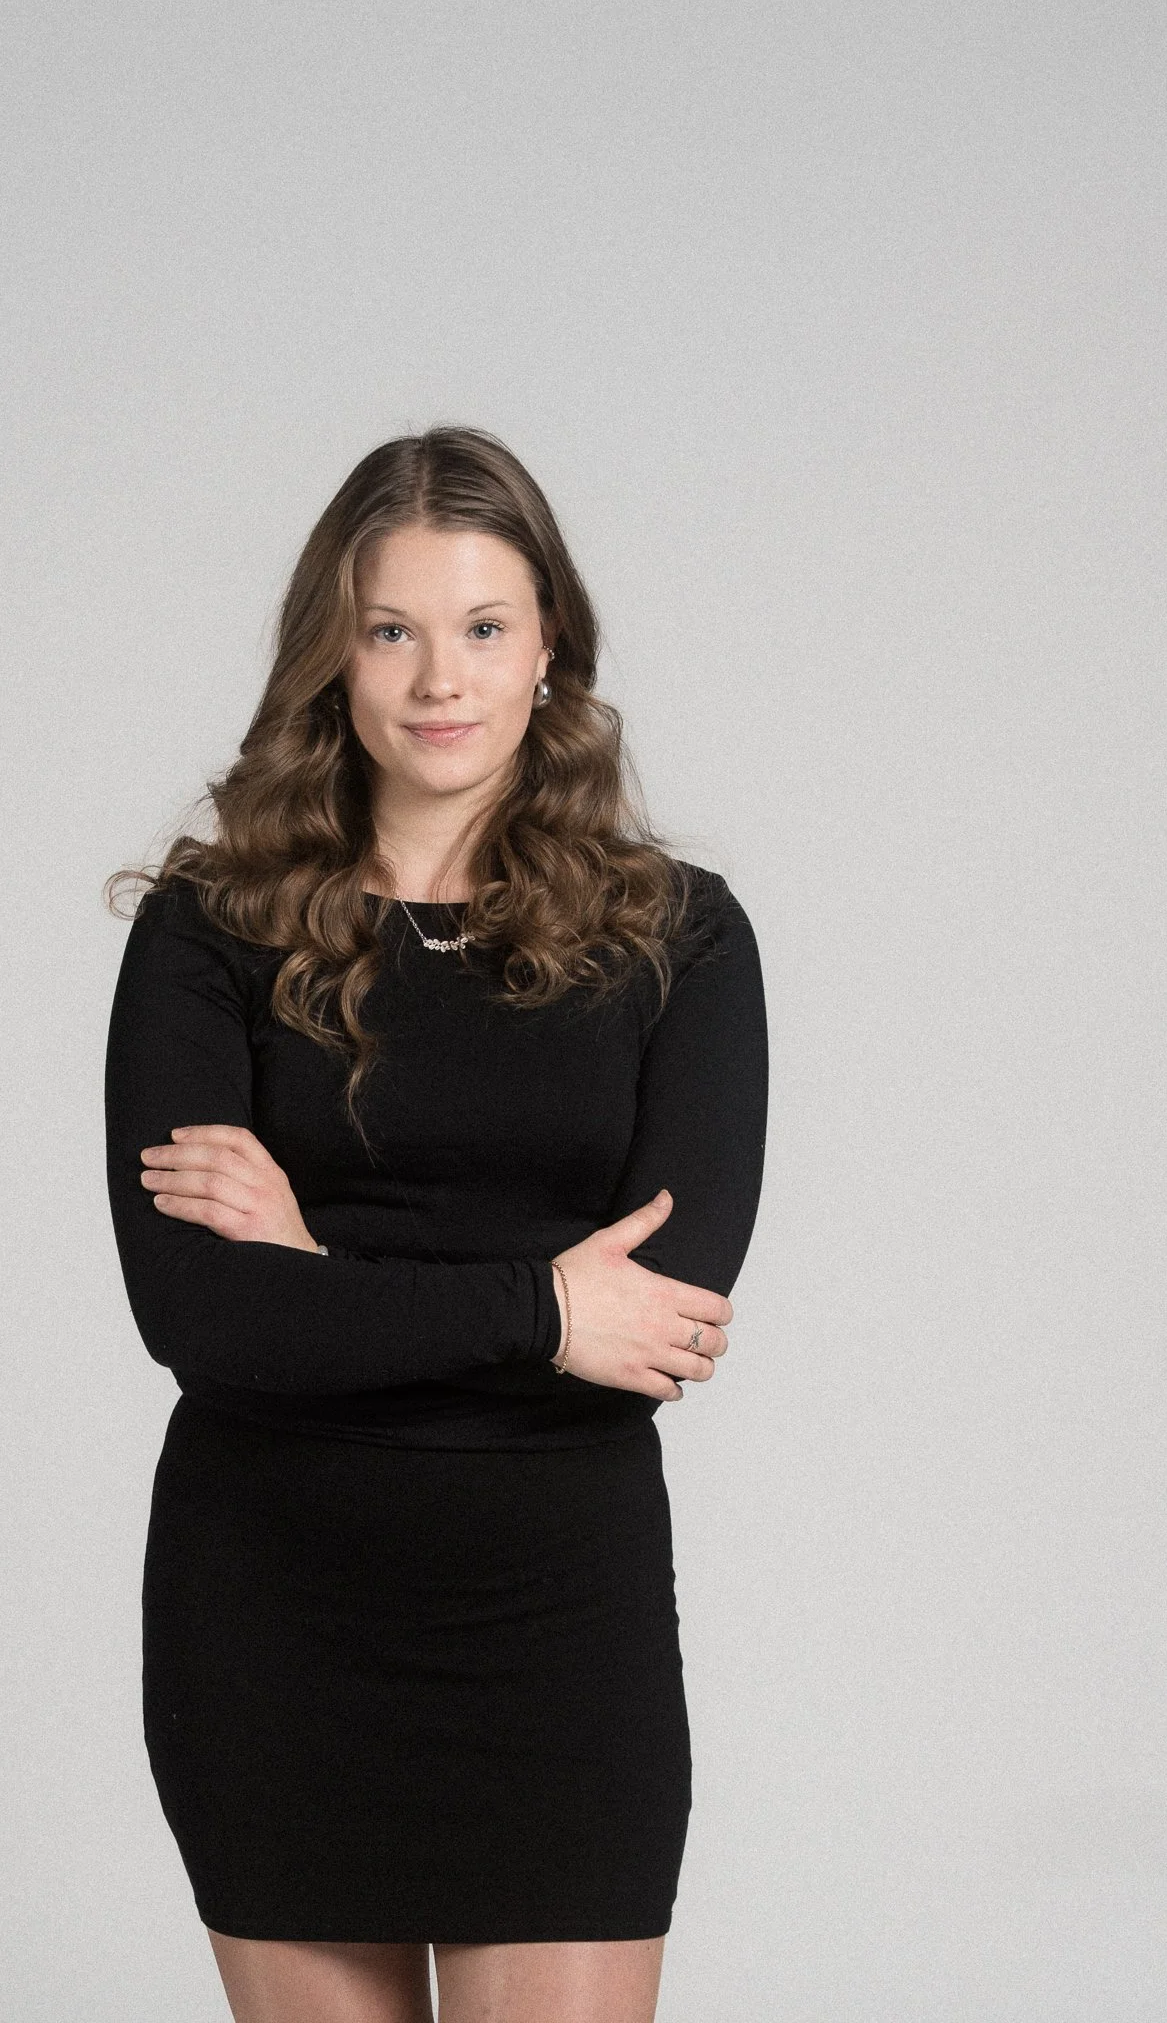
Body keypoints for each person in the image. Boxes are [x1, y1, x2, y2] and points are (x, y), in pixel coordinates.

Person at [103, 425, 768, 2023]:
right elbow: (202, 1320)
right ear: (334, 657)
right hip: (274, 1614)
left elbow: (660, 1320)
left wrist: (322, 1273)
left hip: (556, 1622)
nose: (436, 679)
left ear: (553, 649)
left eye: (482, 626)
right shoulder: (214, 930)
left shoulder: (678, 938)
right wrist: (543, 1306)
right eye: (390, 629)